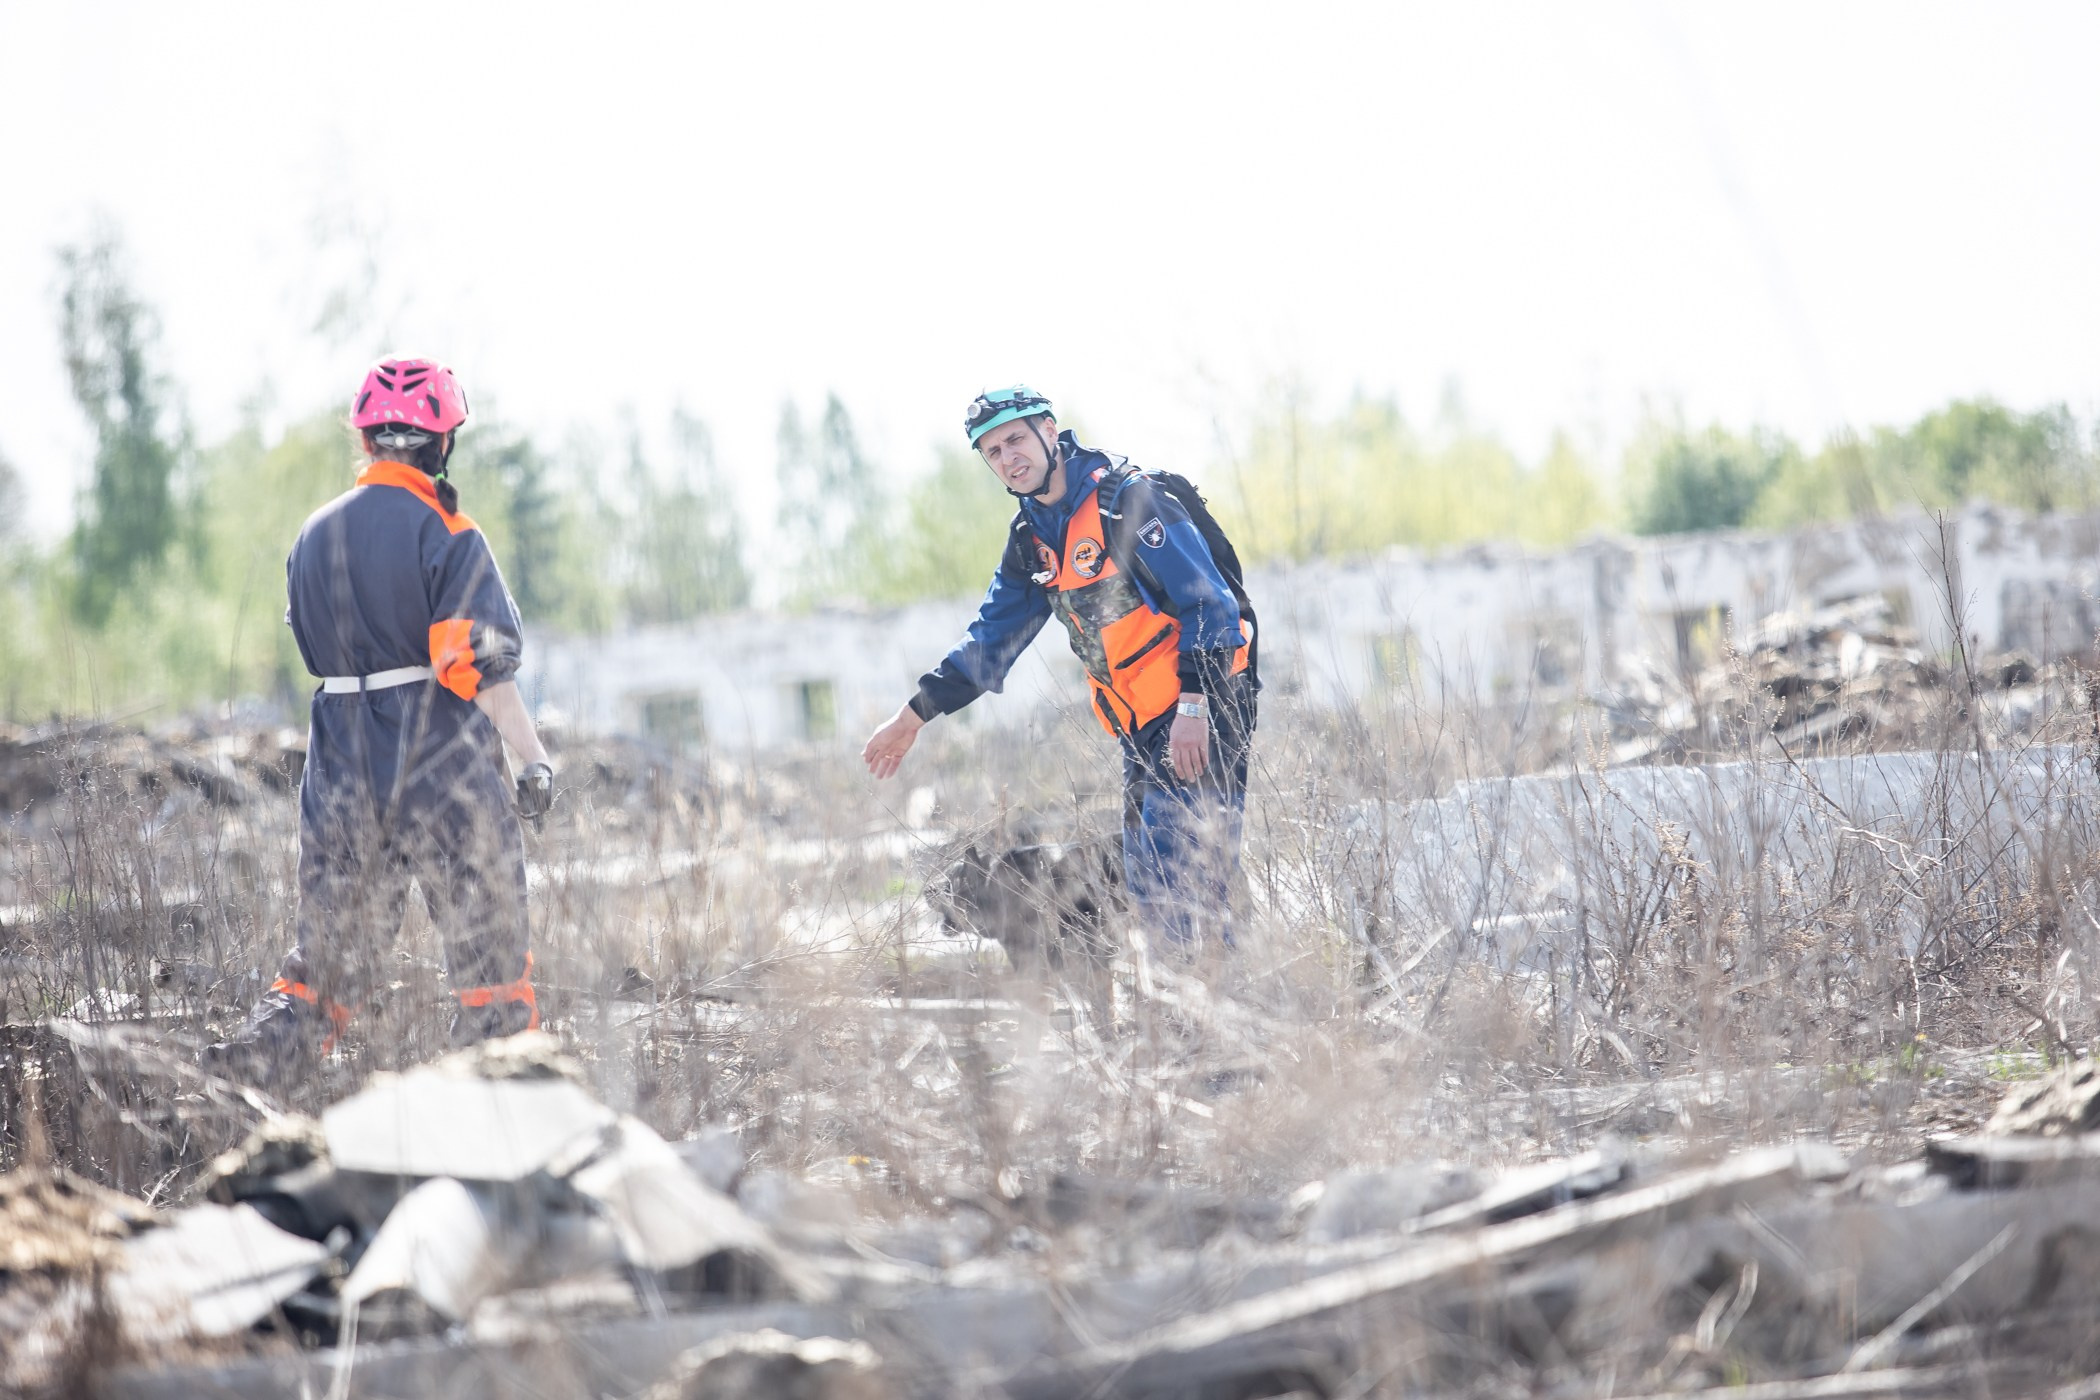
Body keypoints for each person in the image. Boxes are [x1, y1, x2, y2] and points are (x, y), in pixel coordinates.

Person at [208, 358, 555, 1084]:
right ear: (443, 444)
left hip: (337, 756)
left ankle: (247, 1083)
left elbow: (310, 645)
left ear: (366, 440)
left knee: (329, 960)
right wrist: (532, 761)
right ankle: (499, 1106)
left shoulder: (312, 536)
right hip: (438, 760)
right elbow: (478, 667)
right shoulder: (447, 530)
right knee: (488, 955)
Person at [863, 386, 1258, 951]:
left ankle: (1211, 1024)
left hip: (1202, 706)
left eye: (1016, 439)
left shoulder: (1126, 501)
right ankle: (1199, 1022)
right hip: (1142, 729)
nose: (1009, 458)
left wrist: (1195, 706)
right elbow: (991, 641)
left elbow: (1210, 605)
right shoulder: (1033, 540)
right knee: (1150, 884)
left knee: (1184, 883)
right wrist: (912, 716)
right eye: (993, 452)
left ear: (1050, 430)